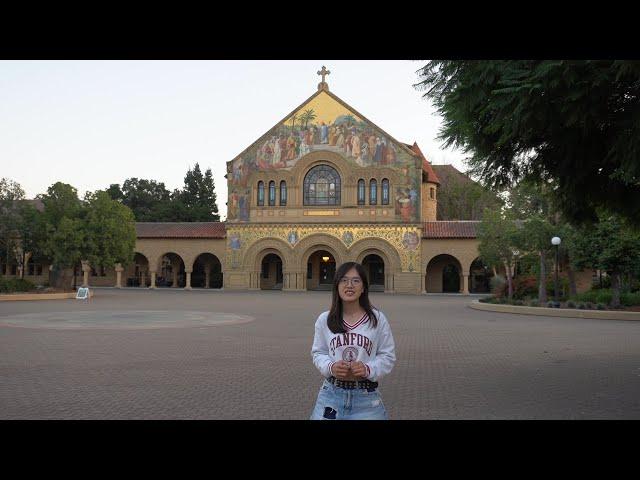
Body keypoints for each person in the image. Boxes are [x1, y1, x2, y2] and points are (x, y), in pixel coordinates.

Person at [310, 262, 396, 420]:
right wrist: (331, 366)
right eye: (344, 280)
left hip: (366, 398)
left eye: (356, 281)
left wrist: (368, 368)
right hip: (331, 396)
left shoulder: (377, 319)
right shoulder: (325, 319)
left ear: (363, 287)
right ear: (336, 286)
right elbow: (319, 352)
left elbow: (387, 356)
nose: (349, 285)